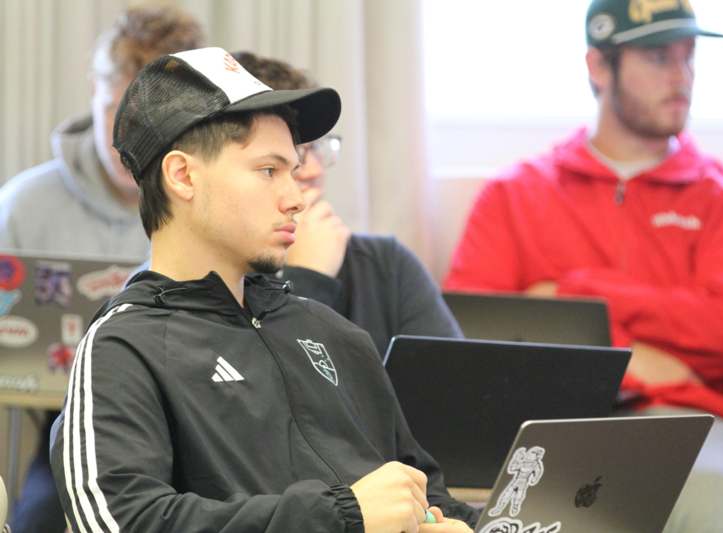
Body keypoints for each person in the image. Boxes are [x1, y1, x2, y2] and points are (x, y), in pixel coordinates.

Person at [49, 46, 477, 532]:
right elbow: (120, 521)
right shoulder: (122, 348)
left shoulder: (332, 334)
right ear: (183, 175)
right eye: (269, 171)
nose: (296, 197)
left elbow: (429, 492)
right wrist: (343, 517)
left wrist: (467, 525)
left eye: (294, 170)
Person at [445, 1, 723, 532]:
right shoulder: (513, 195)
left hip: (689, 426)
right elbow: (475, 344)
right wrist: (633, 358)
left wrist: (573, 294)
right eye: (658, 58)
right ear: (599, 67)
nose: (682, 76)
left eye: (689, 57)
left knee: (713, 510)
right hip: (547, 427)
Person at [0, 7, 204, 532]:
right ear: (94, 87)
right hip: (64, 436)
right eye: (115, 107)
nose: (124, 135)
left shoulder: (210, 208)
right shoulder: (24, 207)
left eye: (148, 118)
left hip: (196, 431)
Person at [224, 51, 462, 355]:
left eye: (316, 148)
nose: (313, 169)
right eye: (289, 154)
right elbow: (265, 394)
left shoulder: (385, 265)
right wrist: (308, 282)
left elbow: (459, 391)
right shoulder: (208, 277)